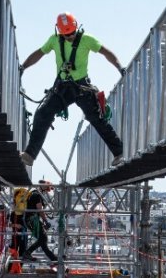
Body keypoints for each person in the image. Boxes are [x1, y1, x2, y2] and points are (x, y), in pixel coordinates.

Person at [19, 12, 125, 169]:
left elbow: (106, 53)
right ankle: (30, 155)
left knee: (97, 119)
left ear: (77, 27)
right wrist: (23, 67)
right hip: (63, 88)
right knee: (43, 114)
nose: (70, 37)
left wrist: (120, 67)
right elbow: (38, 54)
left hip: (82, 87)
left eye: (72, 33)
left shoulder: (87, 40)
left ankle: (119, 153)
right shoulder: (54, 40)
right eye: (66, 35)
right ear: (59, 32)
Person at [21, 180, 58, 263]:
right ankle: (27, 253)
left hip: (31, 219)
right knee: (43, 238)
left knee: (43, 239)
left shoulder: (34, 193)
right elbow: (40, 210)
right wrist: (45, 221)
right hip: (32, 219)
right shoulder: (37, 195)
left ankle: (53, 259)